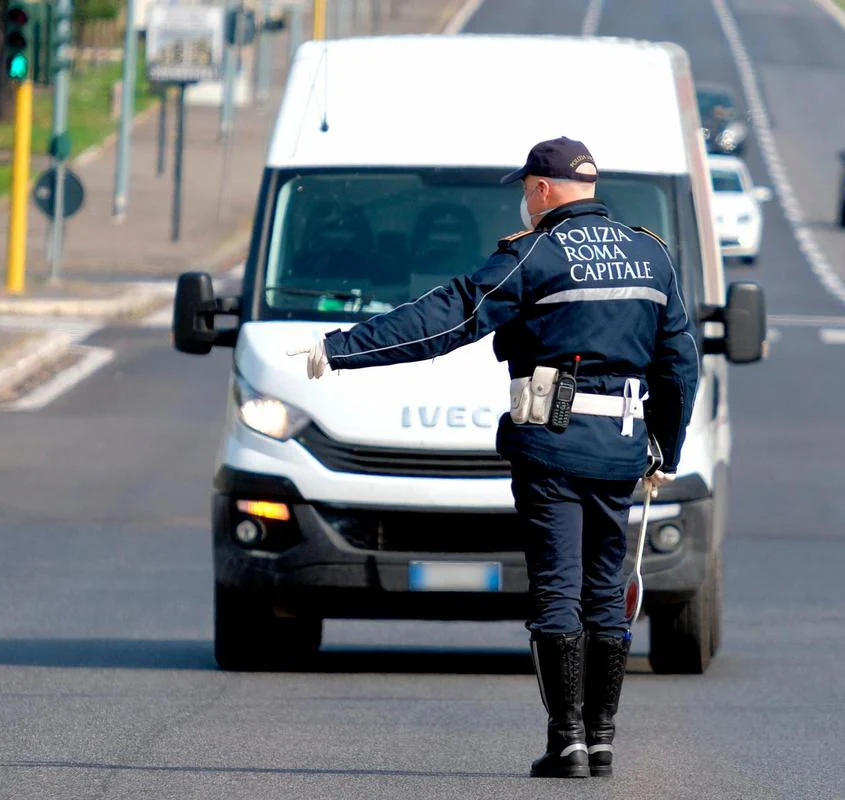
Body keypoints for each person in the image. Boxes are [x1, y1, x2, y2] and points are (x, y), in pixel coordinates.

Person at [288, 136, 699, 779]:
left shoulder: (534, 256)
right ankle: (604, 740)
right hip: (620, 451)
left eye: (524, 191)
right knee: (605, 591)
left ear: (540, 189)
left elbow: (444, 320)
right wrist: (664, 449)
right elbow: (680, 363)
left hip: (553, 449)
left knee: (558, 591)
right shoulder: (651, 255)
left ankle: (566, 742)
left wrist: (343, 348)